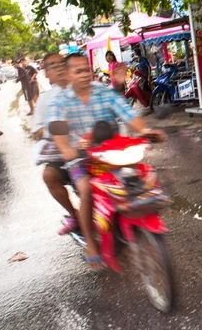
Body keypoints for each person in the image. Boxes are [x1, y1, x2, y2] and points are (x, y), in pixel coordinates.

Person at [47, 53, 165, 269]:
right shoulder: (60, 102)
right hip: (82, 159)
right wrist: (65, 148)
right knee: (86, 189)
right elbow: (58, 129)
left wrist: (146, 131)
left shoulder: (104, 93)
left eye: (86, 69)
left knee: (142, 176)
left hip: (113, 154)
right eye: (78, 71)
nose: (84, 74)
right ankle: (92, 245)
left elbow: (128, 114)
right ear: (69, 74)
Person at [32, 53, 78, 235]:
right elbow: (38, 129)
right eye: (52, 65)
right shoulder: (46, 99)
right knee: (49, 175)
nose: (59, 68)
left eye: (61, 63)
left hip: (95, 149)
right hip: (64, 153)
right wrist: (58, 132)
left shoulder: (86, 89)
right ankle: (75, 215)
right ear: (47, 74)